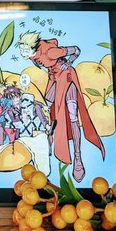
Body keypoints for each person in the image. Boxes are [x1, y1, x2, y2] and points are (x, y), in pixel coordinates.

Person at [17, 31, 105, 182]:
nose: (22, 53)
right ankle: (45, 147)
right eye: (21, 50)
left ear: (33, 48)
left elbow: (76, 50)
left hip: (66, 79)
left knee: (72, 117)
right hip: (53, 78)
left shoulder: (50, 53)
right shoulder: (32, 55)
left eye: (25, 50)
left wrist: (68, 63)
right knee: (45, 111)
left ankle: (77, 157)